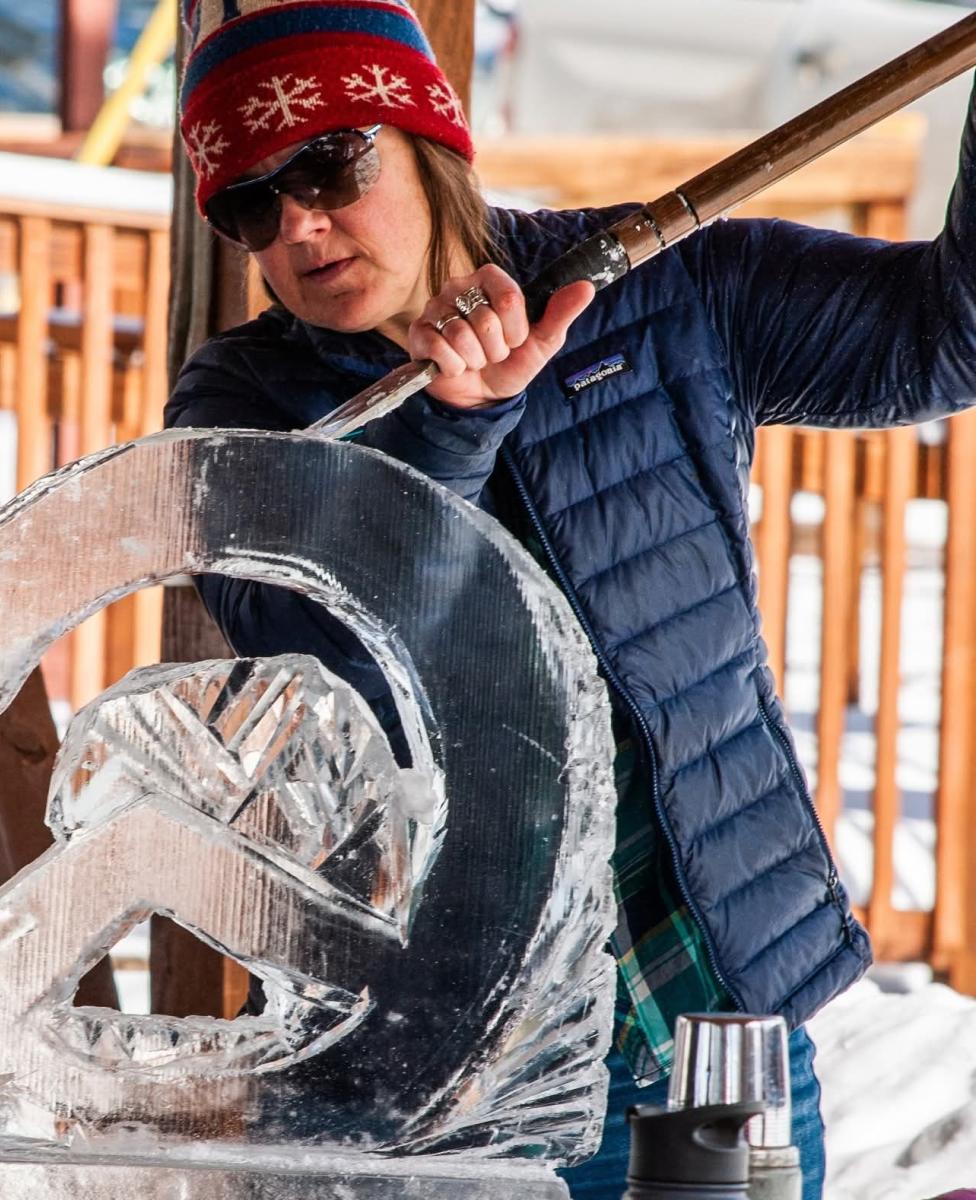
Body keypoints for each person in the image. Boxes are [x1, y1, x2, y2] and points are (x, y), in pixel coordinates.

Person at [166, 2, 976, 1195]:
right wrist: (453, 437)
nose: (298, 224)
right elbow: (337, 657)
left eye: (330, 163)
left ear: (429, 137)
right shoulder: (247, 411)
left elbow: (948, 337)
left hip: (713, 1016)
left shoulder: (653, 287)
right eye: (250, 204)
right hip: (447, 1076)